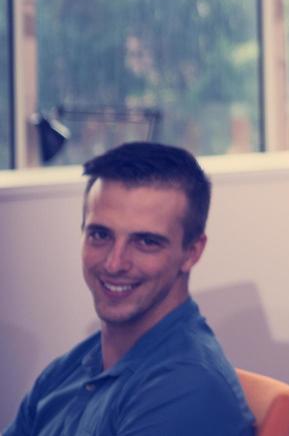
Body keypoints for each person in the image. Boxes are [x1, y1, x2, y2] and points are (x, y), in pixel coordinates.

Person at [5, 142, 253, 436]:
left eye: (146, 242)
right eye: (100, 235)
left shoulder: (186, 388)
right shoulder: (71, 367)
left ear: (191, 252)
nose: (114, 263)